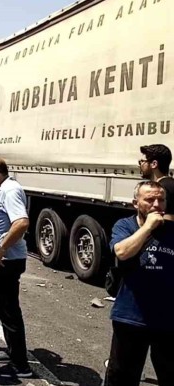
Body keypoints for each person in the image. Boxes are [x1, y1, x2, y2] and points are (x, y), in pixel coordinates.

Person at [104, 181, 174, 385]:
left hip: (167, 319)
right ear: (135, 203)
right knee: (122, 377)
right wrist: (148, 227)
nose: (156, 205)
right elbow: (122, 252)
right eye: (150, 200)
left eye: (161, 200)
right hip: (131, 316)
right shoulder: (125, 226)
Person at [0, 157, 33, 378]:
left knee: (9, 312)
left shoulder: (10, 190)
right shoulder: (1, 189)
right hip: (2, 260)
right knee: (4, 309)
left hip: (7, 261)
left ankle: (20, 366)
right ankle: (14, 354)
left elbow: (21, 222)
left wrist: (2, 247)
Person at [139, 144, 174, 219]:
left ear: (154, 164)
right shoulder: (170, 184)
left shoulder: (162, 188)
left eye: (142, 161)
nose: (140, 165)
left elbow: (168, 220)